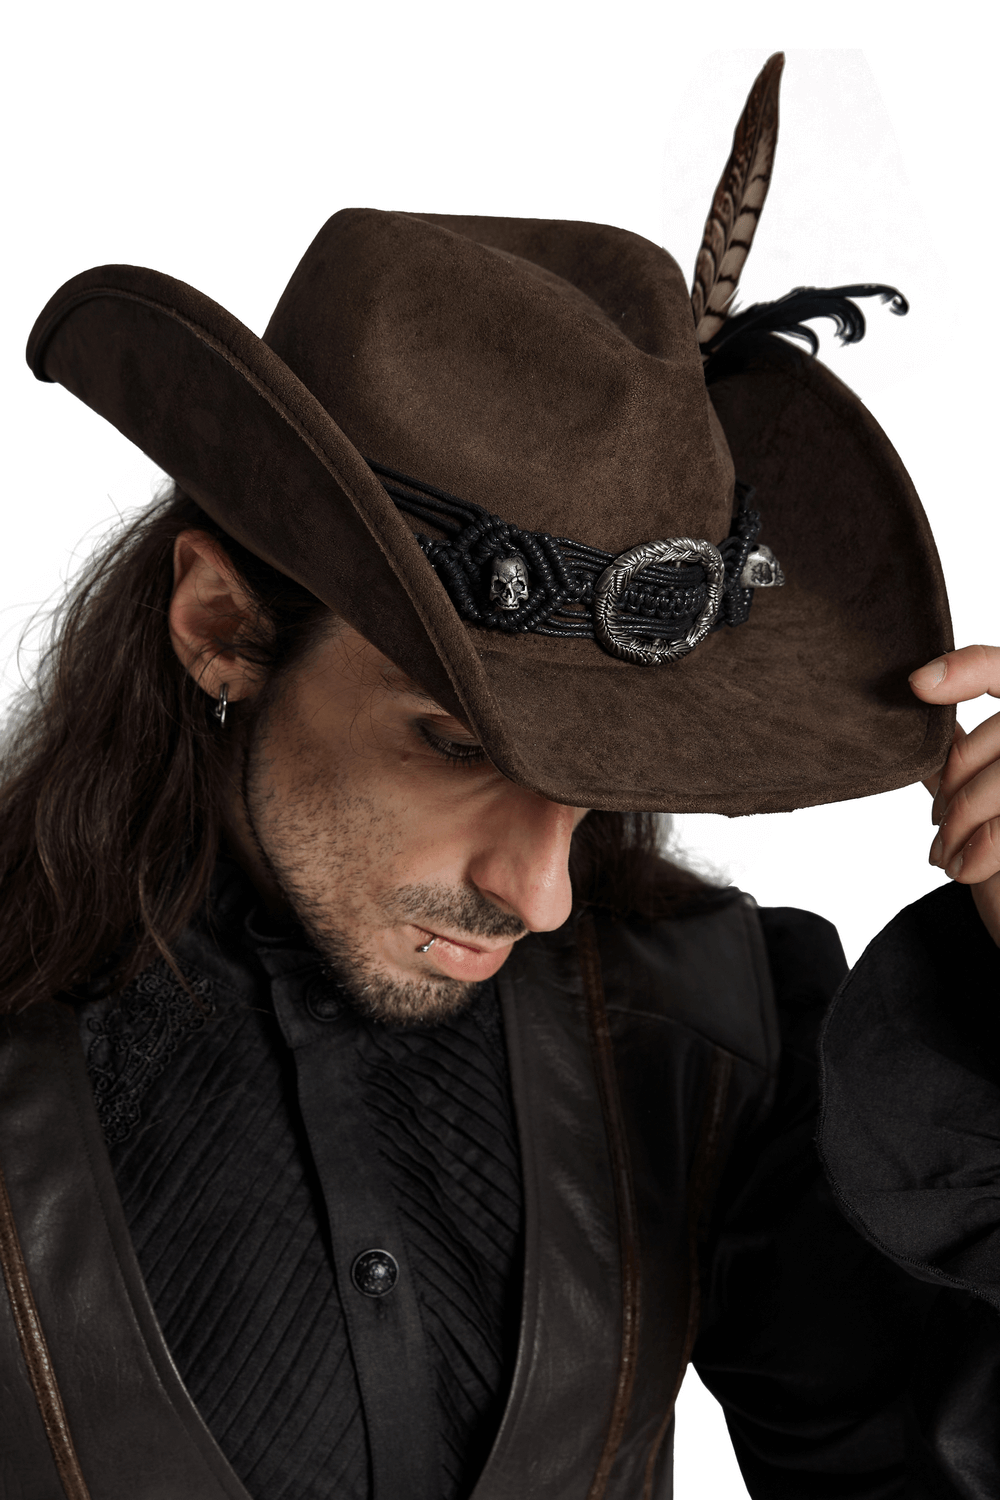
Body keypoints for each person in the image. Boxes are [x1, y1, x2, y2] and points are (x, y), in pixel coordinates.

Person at [1, 52, 997, 1500]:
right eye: (461, 746)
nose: (538, 891)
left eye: (604, 775)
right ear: (222, 626)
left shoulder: (706, 1038)